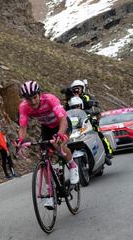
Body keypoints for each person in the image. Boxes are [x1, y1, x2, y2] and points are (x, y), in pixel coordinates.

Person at [16, 80, 79, 209]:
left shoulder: (50, 99)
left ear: (39, 94)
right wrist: (20, 141)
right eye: (29, 99)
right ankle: (50, 195)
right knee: (43, 157)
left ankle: (73, 165)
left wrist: (60, 134)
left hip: (62, 124)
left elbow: (62, 119)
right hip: (47, 127)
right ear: (24, 99)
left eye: (34, 97)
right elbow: (23, 126)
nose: (32, 102)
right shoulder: (23, 107)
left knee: (58, 145)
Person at [68, 97, 113, 165]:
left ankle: (107, 152)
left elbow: (95, 117)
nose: (76, 107)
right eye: (74, 106)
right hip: (75, 132)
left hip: (87, 130)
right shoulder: (68, 116)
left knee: (99, 134)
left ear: (81, 105)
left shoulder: (87, 113)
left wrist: (94, 120)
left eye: (78, 106)